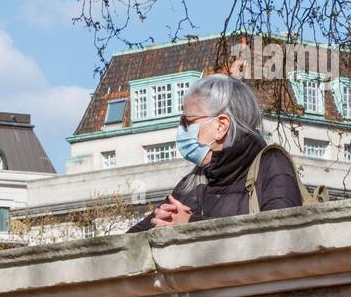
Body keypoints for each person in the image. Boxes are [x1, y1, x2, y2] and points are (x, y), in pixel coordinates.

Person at [128, 74, 303, 232]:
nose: (182, 130)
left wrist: (190, 225)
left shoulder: (272, 164)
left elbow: (282, 236)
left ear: (221, 126)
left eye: (187, 122)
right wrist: (159, 223)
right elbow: (129, 243)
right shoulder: (192, 182)